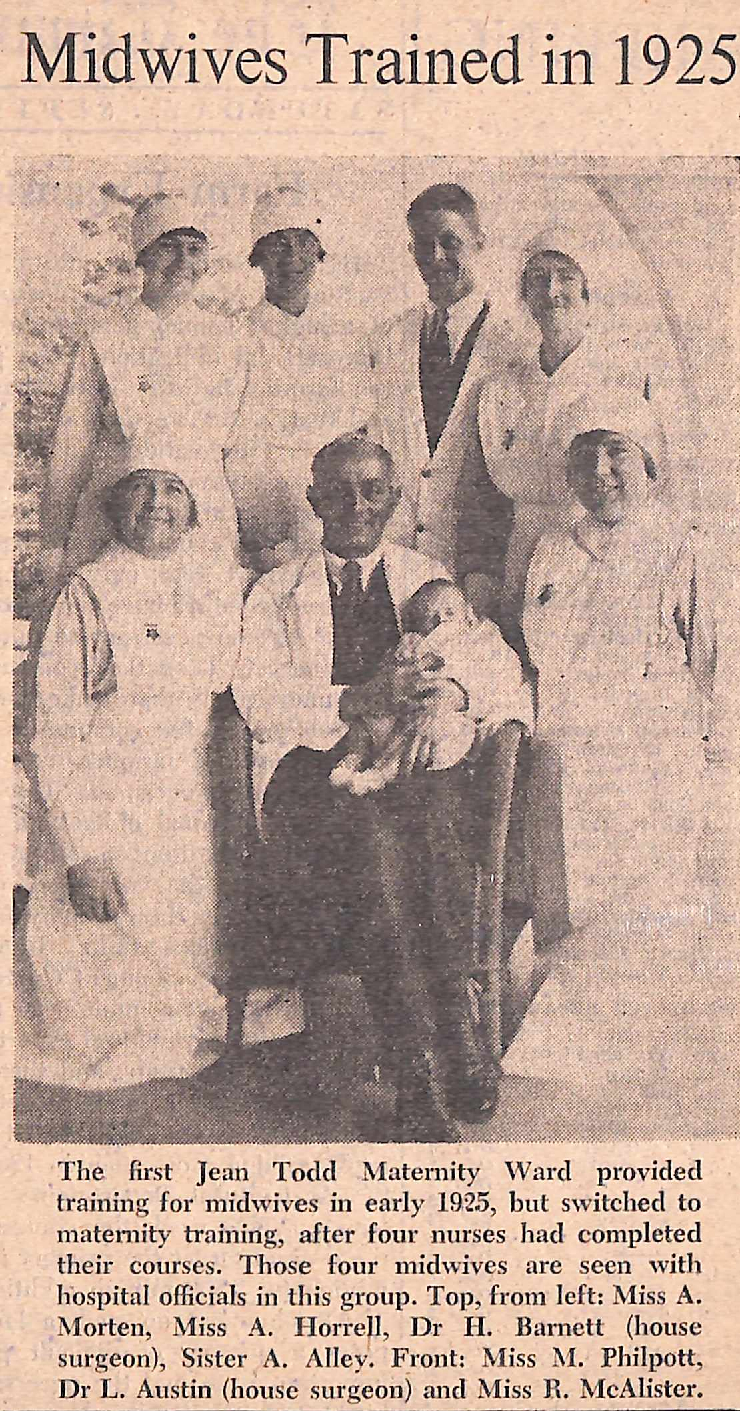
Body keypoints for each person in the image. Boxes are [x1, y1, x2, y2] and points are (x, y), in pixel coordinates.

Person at [232, 433, 531, 1139]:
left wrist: (451, 692)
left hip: (407, 778)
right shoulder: (277, 593)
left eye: (371, 489)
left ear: (395, 499)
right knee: (374, 831)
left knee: (406, 823)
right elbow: (257, 696)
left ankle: (424, 1066)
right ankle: (439, 1049)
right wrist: (357, 696)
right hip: (312, 772)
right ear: (313, 501)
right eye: (337, 490)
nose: (355, 505)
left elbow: (500, 674)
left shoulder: (430, 577)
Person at [17, 466, 243, 1089]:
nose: (157, 504)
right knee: (105, 992)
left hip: (190, 802)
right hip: (106, 803)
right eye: (141, 487)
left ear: (197, 510)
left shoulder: (216, 587)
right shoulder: (86, 592)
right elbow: (54, 731)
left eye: (174, 489)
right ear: (113, 505)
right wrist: (80, 851)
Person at [517, 400, 716, 957]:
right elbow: (541, 653)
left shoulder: (680, 545)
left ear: (647, 461)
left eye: (616, 451)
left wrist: (695, 742)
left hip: (651, 754)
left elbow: (711, 661)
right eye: (584, 459)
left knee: (643, 930)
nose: (600, 471)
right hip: (566, 753)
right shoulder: (553, 550)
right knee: (570, 928)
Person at [39, 191, 248, 589]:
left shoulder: (231, 341)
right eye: (168, 248)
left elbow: (242, 451)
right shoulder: (104, 338)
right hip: (113, 516)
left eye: (194, 249)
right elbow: (71, 450)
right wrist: (52, 544)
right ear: (143, 257)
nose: (183, 262)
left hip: (204, 517)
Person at [479, 225, 668, 622]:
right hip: (524, 548)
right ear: (524, 294)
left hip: (599, 547)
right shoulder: (501, 386)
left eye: (565, 277)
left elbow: (655, 478)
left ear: (586, 288)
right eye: (538, 279)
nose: (551, 291)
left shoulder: (624, 373)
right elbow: (490, 489)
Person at [368, 182, 521, 613]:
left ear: (479, 242)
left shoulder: (516, 344)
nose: (435, 257)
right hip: (395, 561)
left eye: (449, 242)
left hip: (479, 571)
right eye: (423, 245)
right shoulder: (388, 339)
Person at [226, 183, 373, 577]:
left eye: (301, 242)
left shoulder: (347, 339)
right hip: (260, 537)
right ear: (258, 258)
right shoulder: (234, 341)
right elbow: (236, 453)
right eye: (277, 245)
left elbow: (358, 437)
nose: (291, 258)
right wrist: (262, 537)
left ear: (317, 251)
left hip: (339, 524)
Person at [328, 578, 504, 794]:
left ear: (468, 614)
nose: (441, 619)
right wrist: (401, 655)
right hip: (399, 708)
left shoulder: (477, 639)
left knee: (425, 733)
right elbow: (393, 666)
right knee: (364, 724)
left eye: (450, 612)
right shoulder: (417, 640)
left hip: (443, 717)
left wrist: (459, 694)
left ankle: (378, 774)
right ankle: (352, 759)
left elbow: (499, 676)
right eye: (430, 618)